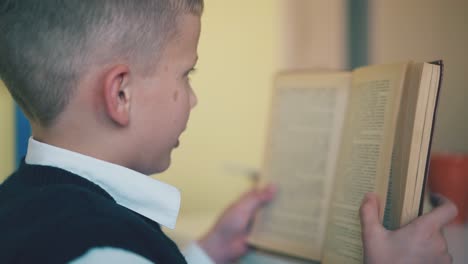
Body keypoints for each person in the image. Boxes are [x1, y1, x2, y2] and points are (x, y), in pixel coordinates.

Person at [0, 0, 456, 263]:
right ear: (121, 95)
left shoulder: (21, 204)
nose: (193, 98)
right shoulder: (103, 251)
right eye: (186, 74)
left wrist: (205, 252)